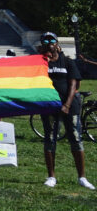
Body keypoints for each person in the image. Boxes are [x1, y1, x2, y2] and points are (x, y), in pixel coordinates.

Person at [38, 32, 93, 189]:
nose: (49, 43)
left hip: (70, 106)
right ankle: (51, 176)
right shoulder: (40, 63)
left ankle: (82, 177)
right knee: (49, 139)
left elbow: (74, 85)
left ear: (57, 43)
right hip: (48, 107)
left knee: (75, 138)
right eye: (45, 41)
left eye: (52, 40)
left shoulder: (67, 62)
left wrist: (67, 105)